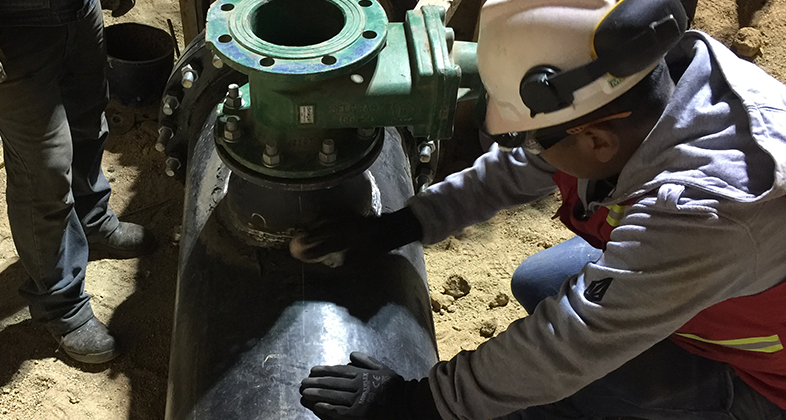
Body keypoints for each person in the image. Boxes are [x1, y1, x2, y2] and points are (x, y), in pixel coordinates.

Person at [293, 0, 786, 418]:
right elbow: (519, 167)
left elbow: (572, 343)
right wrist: (403, 224)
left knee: (552, 396)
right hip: (721, 288)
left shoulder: (709, 208)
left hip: (764, 375)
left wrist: (422, 402)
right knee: (539, 281)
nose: (526, 148)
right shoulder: (643, 82)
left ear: (596, 140)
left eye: (530, 136)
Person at [0, 0, 156, 364]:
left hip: (78, 11)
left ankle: (91, 220)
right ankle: (61, 304)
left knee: (88, 121)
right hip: (4, 23)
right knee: (43, 169)